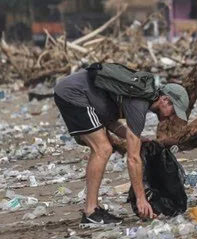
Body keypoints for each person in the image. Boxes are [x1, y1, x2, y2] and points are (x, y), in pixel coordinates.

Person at [53, 67, 189, 224]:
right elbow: (133, 158)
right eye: (173, 110)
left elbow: (109, 120)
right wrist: (141, 199)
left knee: (104, 147)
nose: (172, 116)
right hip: (73, 93)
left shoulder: (139, 95)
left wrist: (136, 138)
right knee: (103, 148)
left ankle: (92, 209)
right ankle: (90, 211)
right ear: (165, 100)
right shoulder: (140, 103)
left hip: (76, 92)